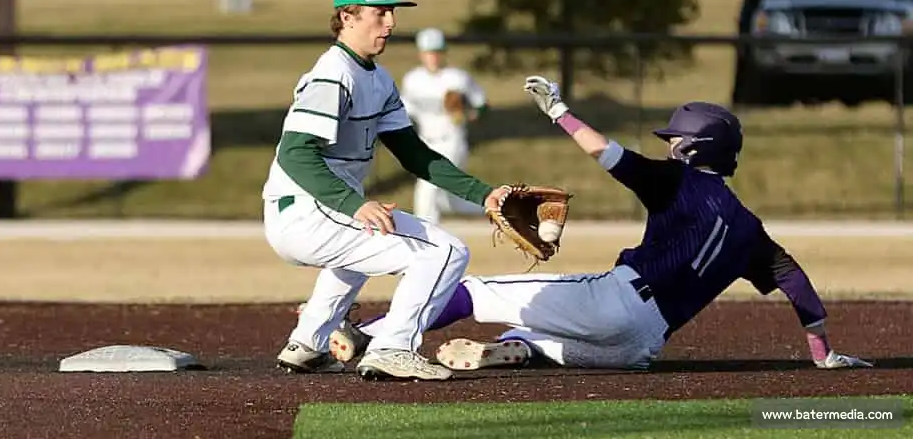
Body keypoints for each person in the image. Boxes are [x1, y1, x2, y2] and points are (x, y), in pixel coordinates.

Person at [327, 75, 873, 371]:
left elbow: (608, 154)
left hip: (618, 300)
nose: (671, 144)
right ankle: (517, 349)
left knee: (471, 292)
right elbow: (794, 281)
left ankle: (366, 335)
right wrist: (822, 352)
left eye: (676, 139)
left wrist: (558, 112)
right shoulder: (751, 229)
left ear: (694, 147)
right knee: (534, 333)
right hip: (643, 347)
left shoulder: (677, 181)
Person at [261, 0, 520, 381]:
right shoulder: (334, 74)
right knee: (446, 252)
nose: (391, 22)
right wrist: (356, 205)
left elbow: (413, 153)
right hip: (308, 210)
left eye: (392, 12)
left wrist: (483, 194)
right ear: (347, 17)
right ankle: (393, 347)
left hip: (315, 210)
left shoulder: (378, 78)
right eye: (379, 13)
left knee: (360, 252)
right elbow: (295, 155)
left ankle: (308, 343)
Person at [400, 28, 489, 224]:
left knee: (427, 188)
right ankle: (499, 208)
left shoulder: (457, 78)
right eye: (429, 52)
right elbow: (405, 113)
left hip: (452, 140)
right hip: (425, 142)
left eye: (437, 52)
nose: (433, 57)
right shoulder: (412, 80)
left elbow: (481, 104)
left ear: (444, 53)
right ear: (421, 53)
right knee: (451, 202)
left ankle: (426, 241)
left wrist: (470, 114)